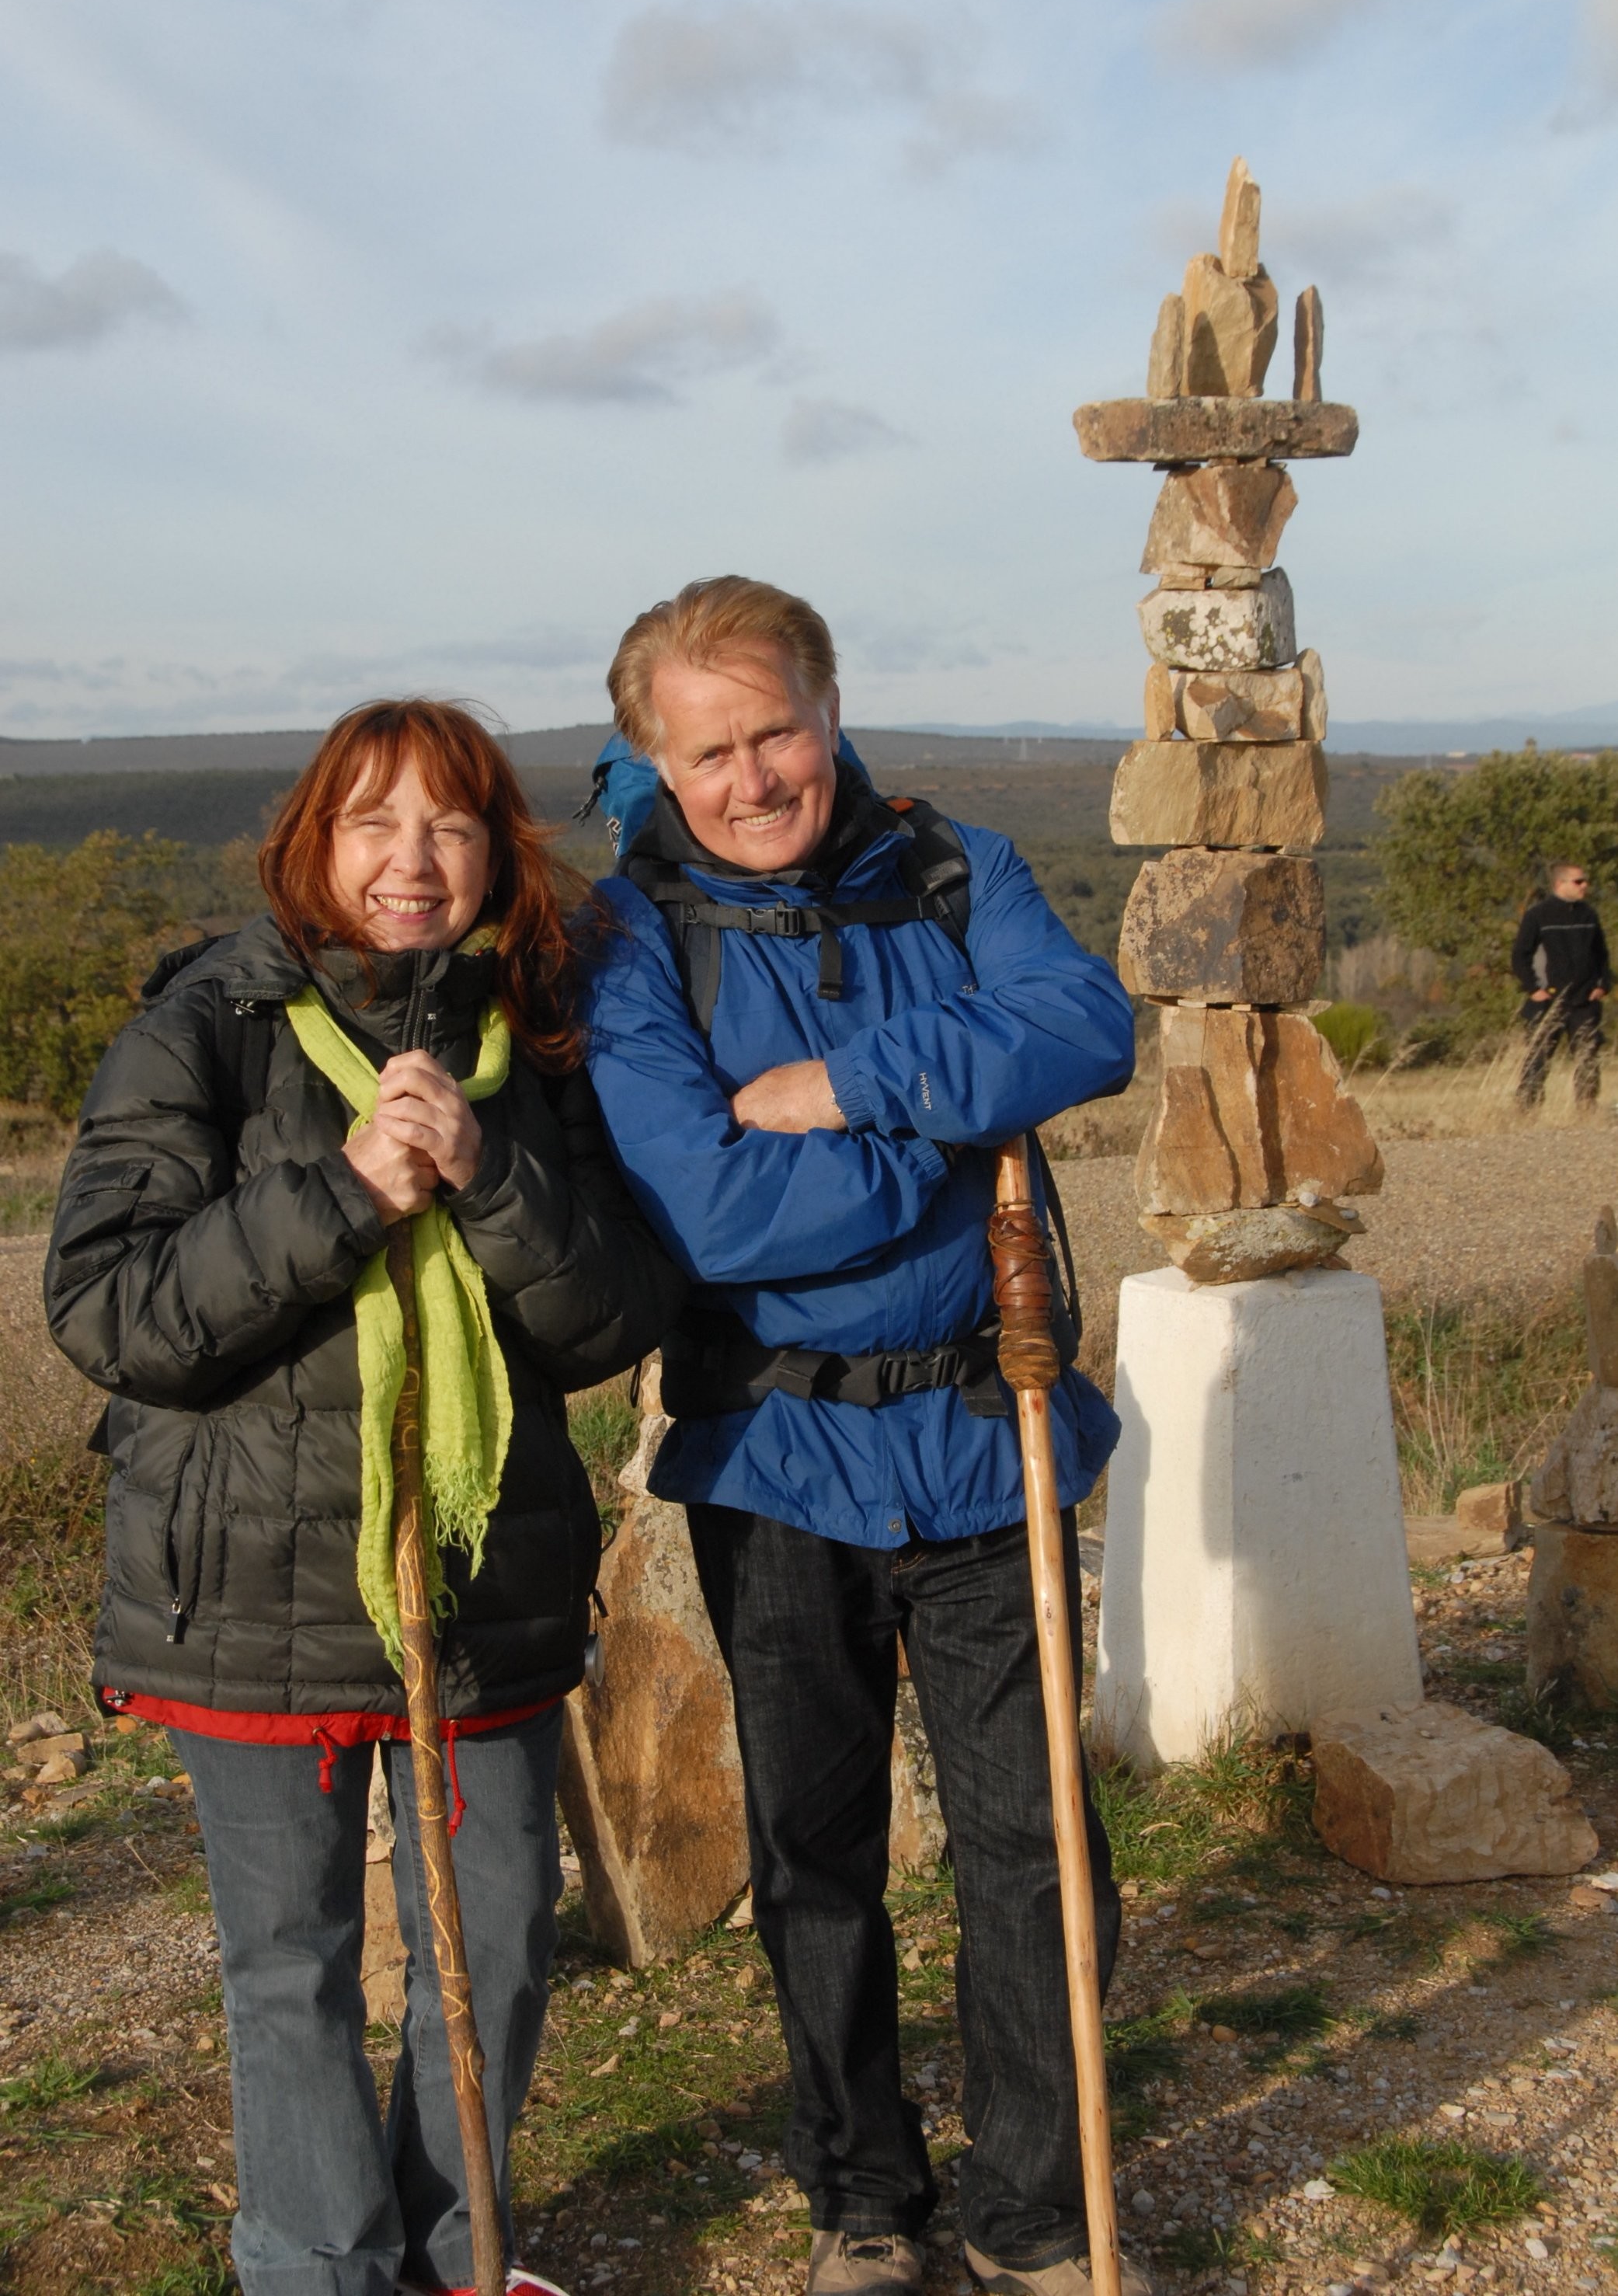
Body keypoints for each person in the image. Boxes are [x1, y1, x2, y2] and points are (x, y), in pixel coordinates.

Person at [45, 700, 686, 2296]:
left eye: (451, 825)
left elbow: (610, 1315)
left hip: (481, 1586)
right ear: (310, 842)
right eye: (372, 822)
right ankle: (320, 2267)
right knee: (293, 1968)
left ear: (496, 853)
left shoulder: (534, 1042)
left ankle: (461, 2255)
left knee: (503, 1941)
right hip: (252, 1590)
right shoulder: (206, 1024)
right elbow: (112, 1310)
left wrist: (487, 1173)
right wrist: (342, 1194)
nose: (413, 859)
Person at [580, 577, 1143, 2296]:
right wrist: (964, 1126)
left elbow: (1088, 1028)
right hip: (775, 1457)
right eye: (711, 749)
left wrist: (846, 1080)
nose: (753, 777)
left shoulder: (958, 862)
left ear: (830, 709)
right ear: (651, 762)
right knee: (813, 1857)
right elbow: (720, 1218)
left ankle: (1040, 2213)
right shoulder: (626, 943)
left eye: (778, 730)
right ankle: (865, 2201)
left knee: (1036, 1846)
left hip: (992, 1434)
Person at [1512, 859, 1610, 1110]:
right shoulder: (1538, 915)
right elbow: (1520, 955)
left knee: (1587, 1056)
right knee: (1538, 1058)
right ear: (1560, 884)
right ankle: (1526, 1110)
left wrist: (1603, 984)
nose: (1585, 885)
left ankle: (1586, 1109)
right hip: (1550, 1000)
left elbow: (1601, 953)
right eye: (1578, 881)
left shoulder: (1588, 914)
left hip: (1585, 1000)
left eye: (1585, 881)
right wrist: (1534, 989)